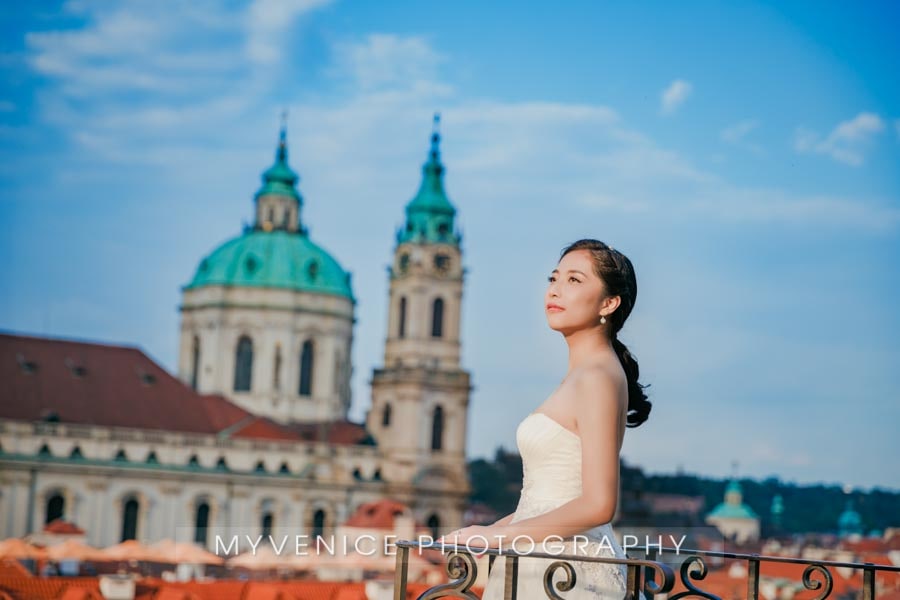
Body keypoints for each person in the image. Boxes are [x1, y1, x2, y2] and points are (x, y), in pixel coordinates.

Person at [438, 239, 652, 599]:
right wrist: (488, 529)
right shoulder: (587, 373)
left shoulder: (598, 376)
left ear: (609, 303)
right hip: (543, 561)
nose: (555, 290)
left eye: (574, 280)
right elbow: (546, 498)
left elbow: (599, 504)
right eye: (554, 279)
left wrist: (496, 536)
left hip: (568, 574)